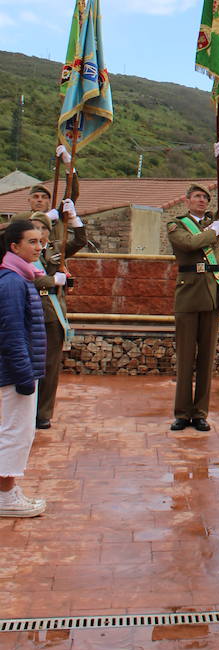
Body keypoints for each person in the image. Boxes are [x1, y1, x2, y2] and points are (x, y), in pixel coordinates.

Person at [167, 139, 219, 432]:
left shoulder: (215, 219)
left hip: (211, 294)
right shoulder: (177, 224)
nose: (202, 200)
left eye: (206, 197)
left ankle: (200, 413)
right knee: (186, 358)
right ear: (187, 200)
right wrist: (213, 232)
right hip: (188, 294)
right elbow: (189, 245)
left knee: (207, 358)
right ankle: (182, 412)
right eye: (197, 197)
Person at [0, 220, 48, 518]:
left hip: (20, 369)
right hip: (15, 371)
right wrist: (24, 376)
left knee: (17, 431)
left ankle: (9, 489)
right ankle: (5, 496)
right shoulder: (12, 282)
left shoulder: (20, 276)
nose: (38, 247)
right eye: (32, 241)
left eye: (40, 241)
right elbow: (12, 332)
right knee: (15, 433)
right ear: (14, 246)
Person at [30, 200, 87, 428]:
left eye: (44, 228)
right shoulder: (20, 249)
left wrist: (74, 220)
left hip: (53, 313)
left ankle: (43, 413)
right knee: (27, 364)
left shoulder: (57, 248)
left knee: (50, 366)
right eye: (35, 227)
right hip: (30, 311)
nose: (40, 232)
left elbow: (80, 241)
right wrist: (52, 279)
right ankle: (25, 409)